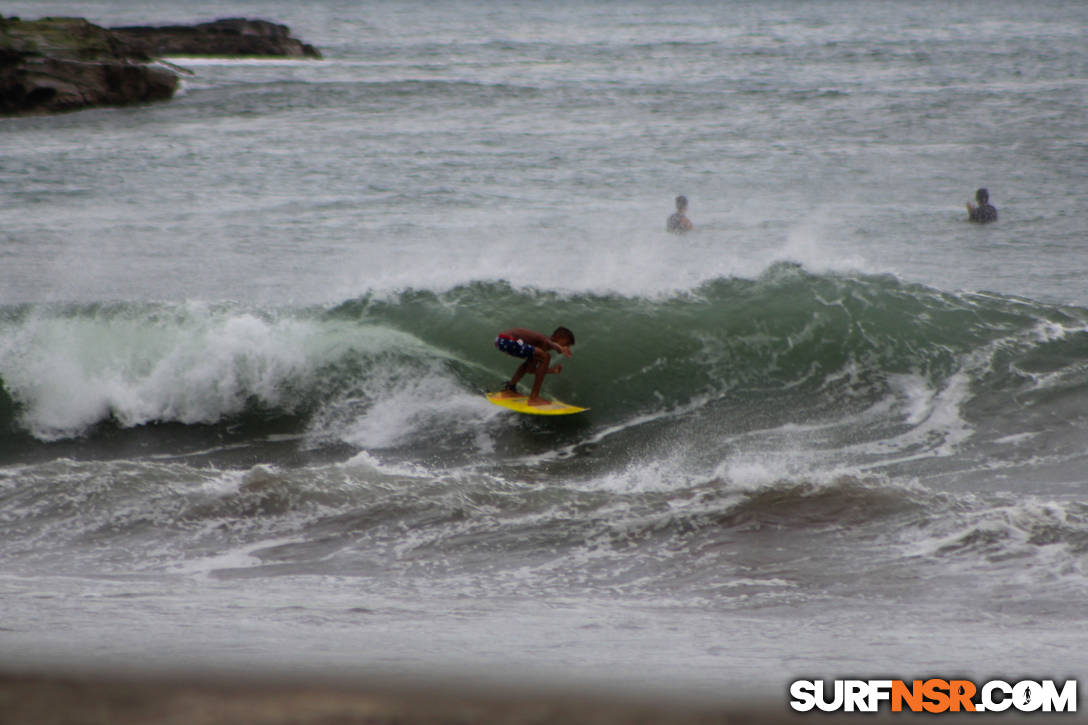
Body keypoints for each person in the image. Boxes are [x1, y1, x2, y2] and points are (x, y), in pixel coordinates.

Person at [494, 326, 575, 405]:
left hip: (504, 341)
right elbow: (551, 343)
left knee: (526, 365)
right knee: (546, 356)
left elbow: (530, 369)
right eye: (566, 344)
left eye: (568, 346)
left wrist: (550, 371)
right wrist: (559, 348)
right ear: (558, 337)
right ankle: (534, 397)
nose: (567, 347)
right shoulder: (545, 340)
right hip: (508, 339)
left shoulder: (538, 349)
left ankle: (510, 387)